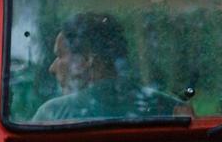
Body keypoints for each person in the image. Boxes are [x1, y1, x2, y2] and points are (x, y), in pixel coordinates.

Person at [33, 12, 184, 123]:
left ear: (85, 60)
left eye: (60, 55)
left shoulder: (53, 113)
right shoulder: (172, 108)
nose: (52, 68)